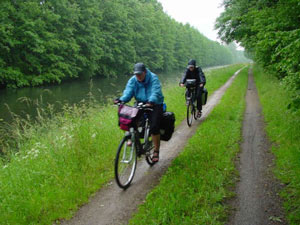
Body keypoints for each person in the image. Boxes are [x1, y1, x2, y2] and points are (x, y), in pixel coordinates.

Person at [115, 62, 164, 163]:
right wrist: (121, 100)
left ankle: (156, 150)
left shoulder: (153, 78)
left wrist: (151, 101)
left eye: (140, 74)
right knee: (129, 120)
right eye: (136, 74)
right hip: (140, 103)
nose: (138, 76)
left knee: (154, 126)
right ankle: (131, 138)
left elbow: (155, 91)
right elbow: (128, 92)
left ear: (145, 72)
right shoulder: (133, 80)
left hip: (154, 103)